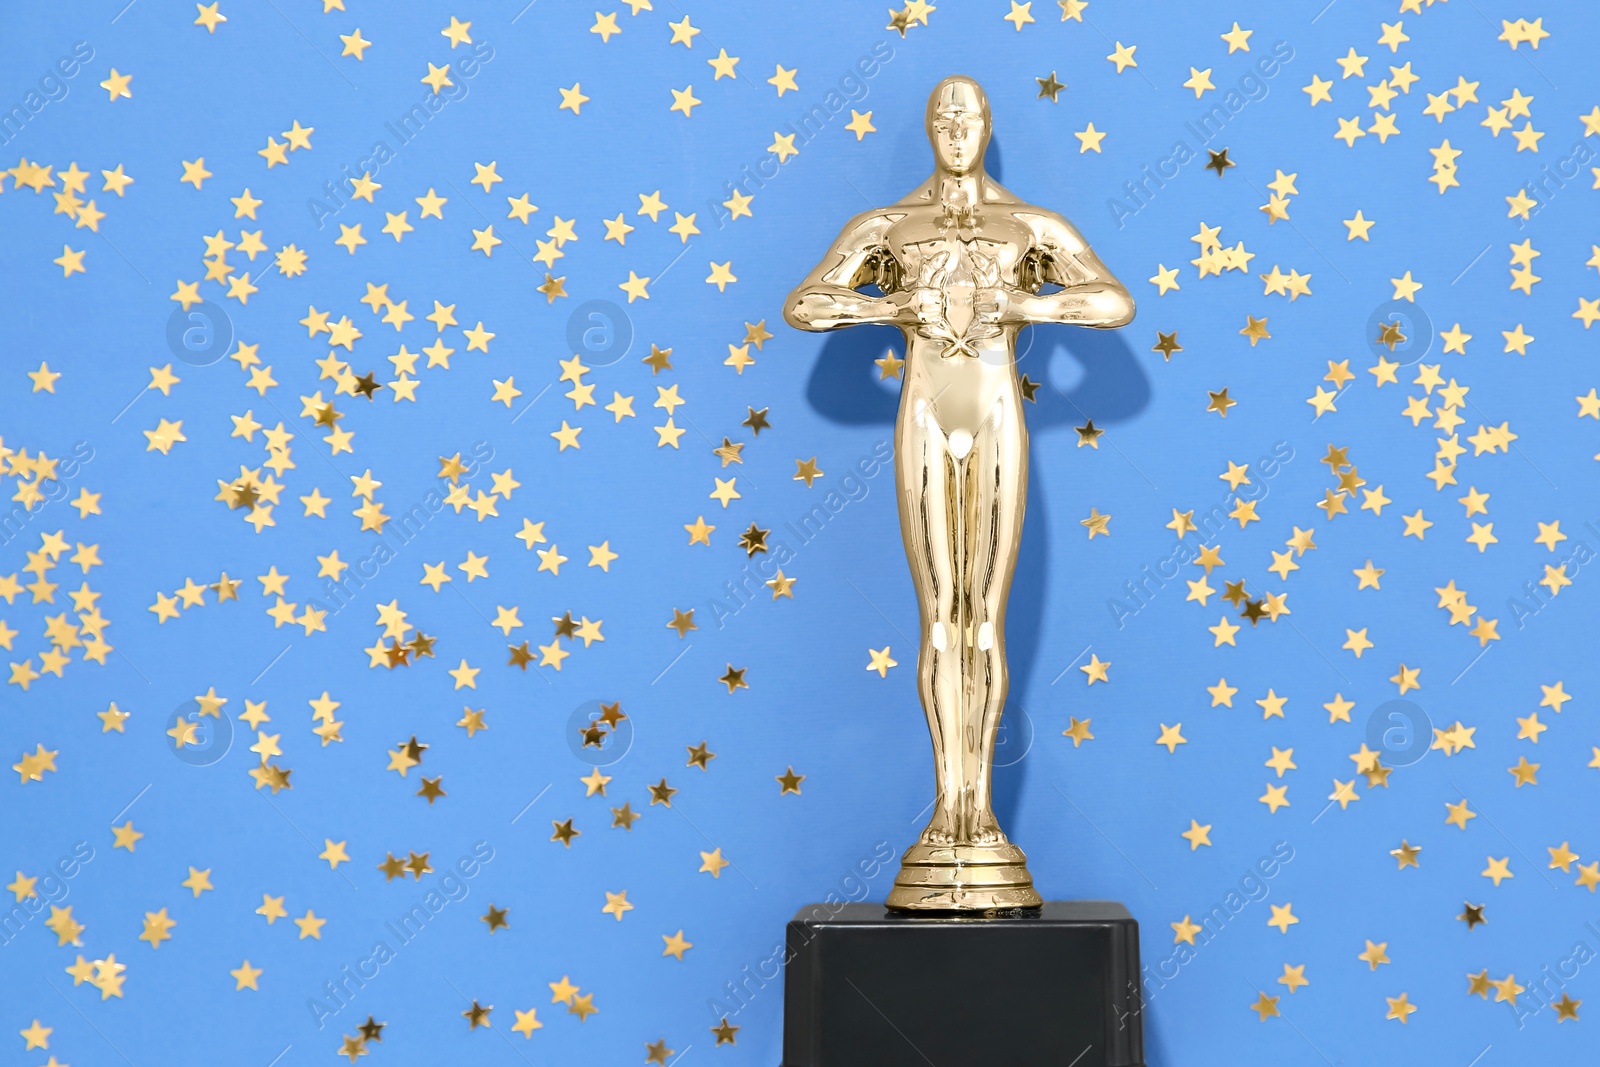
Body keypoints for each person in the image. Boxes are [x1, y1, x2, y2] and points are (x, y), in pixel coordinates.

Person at [784, 75, 1134, 909]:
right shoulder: (888, 228)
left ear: (986, 125)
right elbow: (805, 303)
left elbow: (1112, 301)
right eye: (940, 115)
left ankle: (979, 813)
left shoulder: (1027, 228)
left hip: (999, 421)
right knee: (942, 612)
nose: (953, 127)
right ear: (927, 128)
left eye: (966, 115)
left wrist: (1019, 300)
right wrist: (898, 304)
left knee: (985, 616)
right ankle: (951, 808)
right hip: (925, 424)